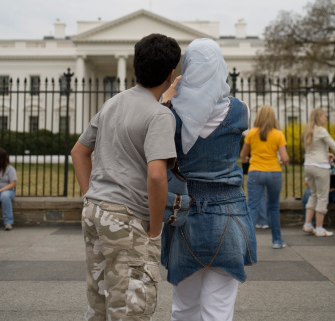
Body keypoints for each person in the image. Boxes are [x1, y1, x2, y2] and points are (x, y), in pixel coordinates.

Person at [71, 33, 181, 321]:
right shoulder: (159, 116)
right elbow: (157, 177)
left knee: (100, 301)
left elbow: (79, 152)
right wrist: (155, 232)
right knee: (132, 306)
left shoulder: (114, 103)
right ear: (171, 74)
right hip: (128, 218)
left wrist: (89, 195)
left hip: (95, 210)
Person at [161, 38, 257, 321]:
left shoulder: (170, 112)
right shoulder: (241, 110)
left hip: (183, 213)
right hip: (229, 212)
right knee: (219, 312)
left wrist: (167, 97)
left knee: (183, 309)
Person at [240, 105, 289, 249]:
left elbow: (243, 154)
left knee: (252, 207)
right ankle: (277, 241)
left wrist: (245, 159)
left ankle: (248, 243)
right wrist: (284, 162)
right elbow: (285, 157)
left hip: (255, 172)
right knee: (273, 206)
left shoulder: (252, 133)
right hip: (274, 173)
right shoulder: (278, 134)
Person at [301, 108, 335, 237]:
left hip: (309, 165)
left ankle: (308, 224)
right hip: (320, 167)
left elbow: (313, 150)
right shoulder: (321, 131)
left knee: (313, 195)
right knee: (322, 197)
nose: (325, 118)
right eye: (323, 116)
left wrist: (327, 154)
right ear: (318, 117)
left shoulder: (307, 131)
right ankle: (319, 229)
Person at [0, 147, 17, 231]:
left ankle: (8, 222)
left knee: (4, 197)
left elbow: (12, 184)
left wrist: (1, 190)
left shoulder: (10, 169)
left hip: (7, 190)